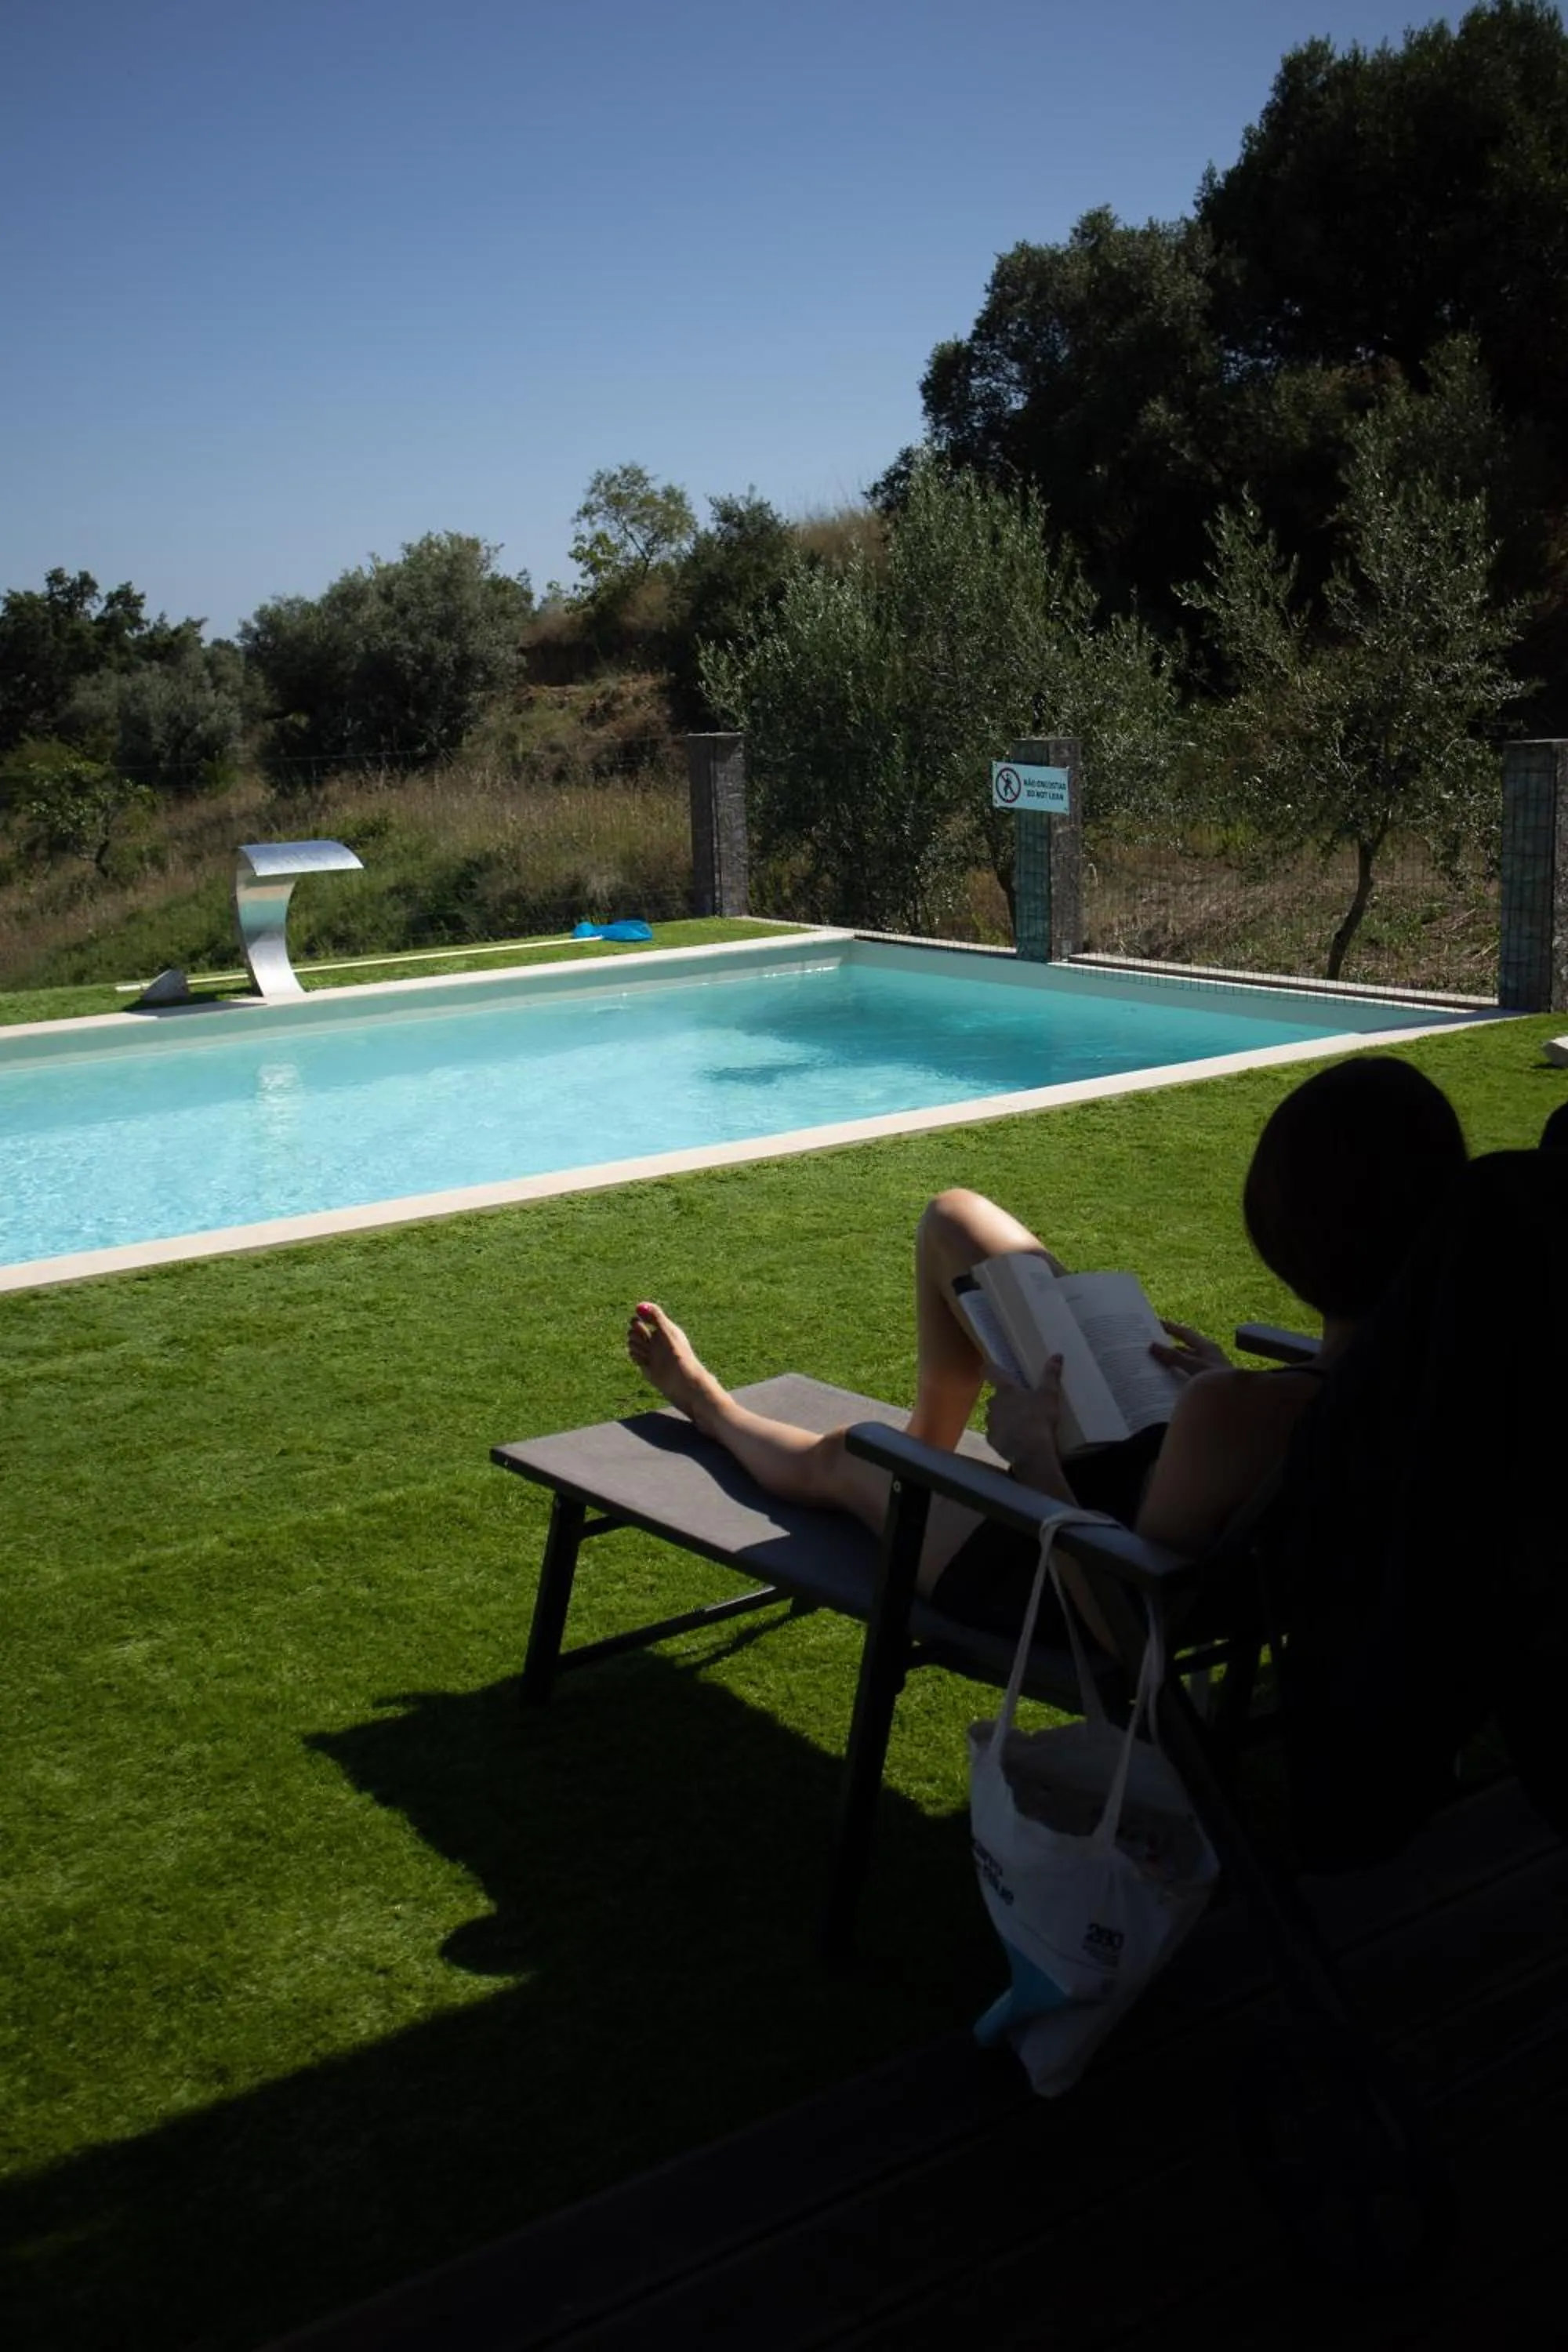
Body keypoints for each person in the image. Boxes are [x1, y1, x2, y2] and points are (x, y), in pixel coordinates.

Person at [626, 1057, 1470, 1631]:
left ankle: (710, 1405)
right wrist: (1220, 1382)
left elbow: (1127, 1629)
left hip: (1055, 1565)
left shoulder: (1237, 1415)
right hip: (1150, 1464)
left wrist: (1030, 1456)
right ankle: (931, 1447)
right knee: (955, 1219)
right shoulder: (1455, 1369)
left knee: (851, 1451)